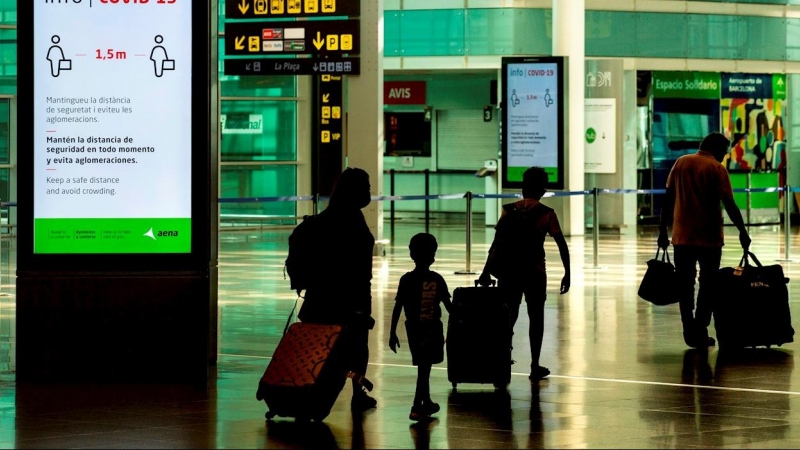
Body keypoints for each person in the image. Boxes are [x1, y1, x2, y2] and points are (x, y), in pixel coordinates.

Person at [658, 132, 751, 349]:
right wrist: (742, 231)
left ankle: (688, 329)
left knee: (685, 284)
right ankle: (700, 328)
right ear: (717, 149)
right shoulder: (717, 169)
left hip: (682, 237)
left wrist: (663, 230)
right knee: (708, 284)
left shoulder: (681, 163)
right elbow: (729, 204)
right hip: (709, 238)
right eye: (724, 153)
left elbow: (668, 199)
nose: (724, 157)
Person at [478, 166, 570, 381]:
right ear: (543, 190)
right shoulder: (547, 214)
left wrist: (485, 271)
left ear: (522, 188)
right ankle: (534, 365)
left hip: (508, 272)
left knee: (507, 317)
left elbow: (496, 243)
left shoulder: (509, 210)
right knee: (536, 319)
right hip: (535, 273)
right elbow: (561, 244)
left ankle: (501, 361)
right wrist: (568, 273)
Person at [297, 167, 377, 412]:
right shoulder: (352, 221)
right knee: (357, 348)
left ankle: (304, 389)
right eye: (366, 188)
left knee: (319, 348)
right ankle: (357, 393)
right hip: (350, 300)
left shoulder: (324, 218)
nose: (369, 193)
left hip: (319, 298)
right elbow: (359, 270)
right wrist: (363, 307)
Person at [389, 233, 452, 421]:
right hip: (432, 329)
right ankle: (417, 405)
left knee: (424, 367)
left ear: (411, 254)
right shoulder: (437, 279)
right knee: (425, 369)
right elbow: (449, 308)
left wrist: (392, 332)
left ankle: (426, 401)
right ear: (433, 255)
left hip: (414, 329)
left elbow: (398, 307)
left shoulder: (406, 280)